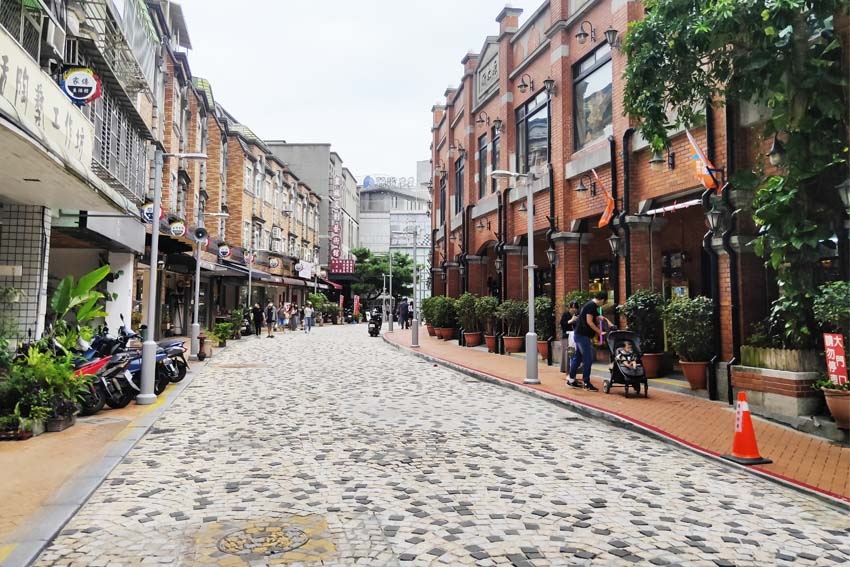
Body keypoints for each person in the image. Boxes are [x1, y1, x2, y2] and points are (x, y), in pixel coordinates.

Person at [567, 291, 608, 391]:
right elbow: (589, 322)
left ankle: (571, 380)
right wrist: (599, 332)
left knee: (577, 358)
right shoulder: (591, 306)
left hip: (579, 335)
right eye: (604, 302)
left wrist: (608, 323)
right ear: (602, 300)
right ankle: (586, 382)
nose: (603, 304)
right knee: (588, 359)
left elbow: (598, 317)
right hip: (582, 336)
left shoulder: (591, 306)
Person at [559, 301, 580, 373]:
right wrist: (571, 320)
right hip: (567, 337)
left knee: (576, 353)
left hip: (576, 336)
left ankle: (574, 370)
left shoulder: (578, 315)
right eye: (572, 308)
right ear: (569, 308)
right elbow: (563, 324)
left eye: (575, 308)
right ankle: (568, 370)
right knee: (569, 353)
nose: (573, 309)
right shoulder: (566, 315)